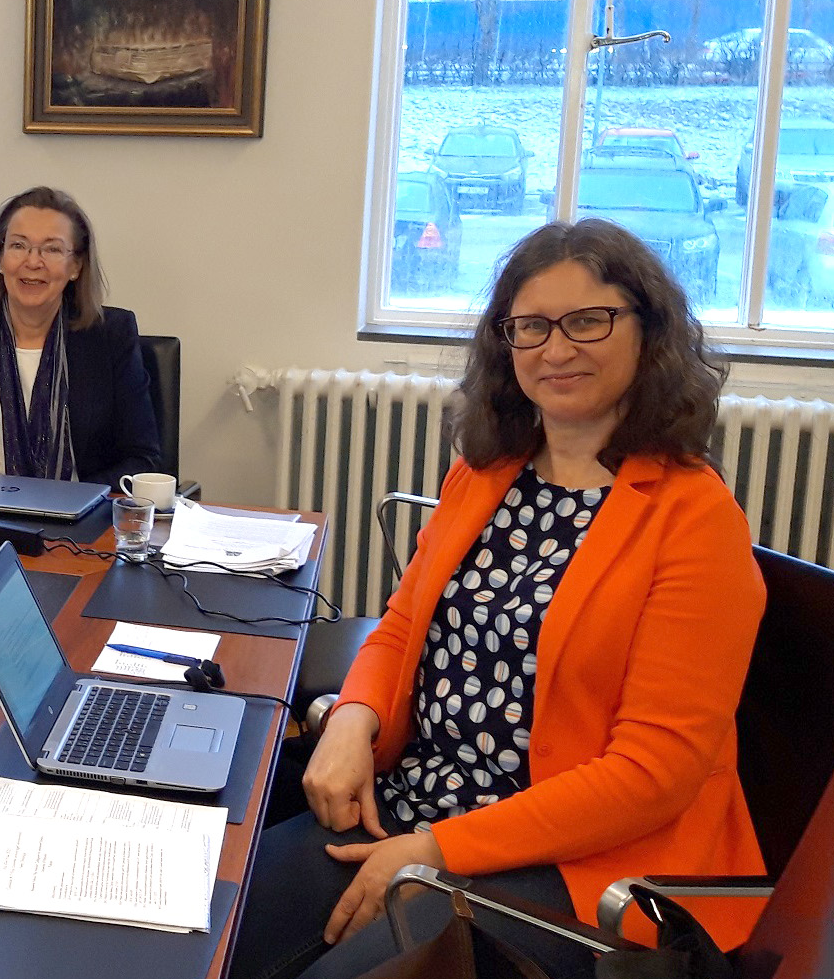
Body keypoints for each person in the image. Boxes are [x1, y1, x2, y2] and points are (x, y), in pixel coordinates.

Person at [232, 219, 765, 979]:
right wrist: (352, 720)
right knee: (211, 927)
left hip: (581, 868)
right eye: (529, 327)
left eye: (588, 321)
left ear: (647, 334)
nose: (554, 349)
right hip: (419, 803)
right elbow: (402, 626)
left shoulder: (694, 519)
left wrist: (432, 853)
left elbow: (651, 775)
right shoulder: (485, 473)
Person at [0, 186, 162, 484]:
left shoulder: (111, 335)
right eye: (18, 246)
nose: (33, 262)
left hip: (82, 518)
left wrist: (77, 499)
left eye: (52, 249)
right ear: (0, 258)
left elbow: (143, 457)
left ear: (75, 265)